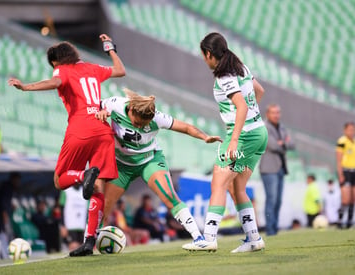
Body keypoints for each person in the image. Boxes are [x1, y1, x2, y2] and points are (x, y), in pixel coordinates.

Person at [8, 33, 126, 256]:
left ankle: (83, 175)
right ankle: (89, 241)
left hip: (80, 129)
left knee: (60, 179)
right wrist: (110, 48)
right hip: (103, 130)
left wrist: (26, 87)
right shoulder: (92, 68)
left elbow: (55, 82)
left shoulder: (62, 69)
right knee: (98, 187)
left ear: (57, 60)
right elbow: (121, 71)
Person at [95, 89, 222, 248]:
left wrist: (205, 137)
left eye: (144, 125)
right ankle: (91, 241)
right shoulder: (115, 104)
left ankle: (199, 239)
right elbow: (91, 107)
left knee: (169, 195)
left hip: (149, 160)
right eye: (137, 123)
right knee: (104, 204)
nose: (140, 127)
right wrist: (99, 112)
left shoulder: (157, 117)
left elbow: (186, 127)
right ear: (132, 109)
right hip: (122, 165)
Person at [183, 32, 267, 253]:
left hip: (242, 137)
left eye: (203, 55)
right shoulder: (241, 67)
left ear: (209, 54)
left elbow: (241, 105)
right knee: (235, 186)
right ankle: (254, 239)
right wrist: (250, 118)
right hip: (259, 132)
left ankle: (208, 237)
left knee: (218, 184)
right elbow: (259, 91)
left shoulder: (224, 76)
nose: (204, 59)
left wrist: (235, 139)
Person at [259, 104, 295, 236]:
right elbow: (272, 145)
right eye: (273, 113)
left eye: (278, 112)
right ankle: (270, 230)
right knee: (271, 199)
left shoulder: (282, 127)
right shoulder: (264, 126)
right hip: (269, 168)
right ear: (268, 114)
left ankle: (274, 227)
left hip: (281, 168)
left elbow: (292, 144)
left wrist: (282, 143)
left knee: (278, 200)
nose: (276, 115)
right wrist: (283, 143)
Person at [0, 172, 21, 258]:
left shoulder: (8, 188)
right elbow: (3, 204)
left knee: (3, 235)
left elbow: (6, 202)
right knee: (1, 235)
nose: (18, 182)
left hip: (0, 215)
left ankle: (5, 254)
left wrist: (11, 206)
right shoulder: (7, 188)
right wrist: (5, 216)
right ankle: (4, 256)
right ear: (13, 179)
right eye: (17, 180)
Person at [336, 122, 355, 229]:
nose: (351, 132)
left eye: (353, 129)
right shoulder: (342, 141)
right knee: (345, 199)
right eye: (349, 129)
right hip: (346, 171)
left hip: (354, 172)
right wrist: (341, 174)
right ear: (345, 130)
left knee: (353, 198)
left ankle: (349, 221)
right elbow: (338, 159)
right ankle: (339, 220)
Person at [59, 185, 88, 251]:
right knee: (73, 247)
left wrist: (87, 226)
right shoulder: (66, 190)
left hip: (82, 227)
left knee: (81, 248)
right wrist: (62, 225)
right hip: (70, 226)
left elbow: (87, 210)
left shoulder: (85, 191)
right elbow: (61, 209)